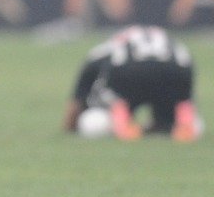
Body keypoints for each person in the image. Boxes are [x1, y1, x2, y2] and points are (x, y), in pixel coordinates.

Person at [63, 26, 202, 142]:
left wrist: (70, 126)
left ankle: (122, 123)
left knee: (94, 120)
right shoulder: (169, 41)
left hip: (128, 73)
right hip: (176, 70)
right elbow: (186, 61)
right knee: (177, 119)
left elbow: (81, 90)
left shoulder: (114, 42)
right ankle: (178, 125)